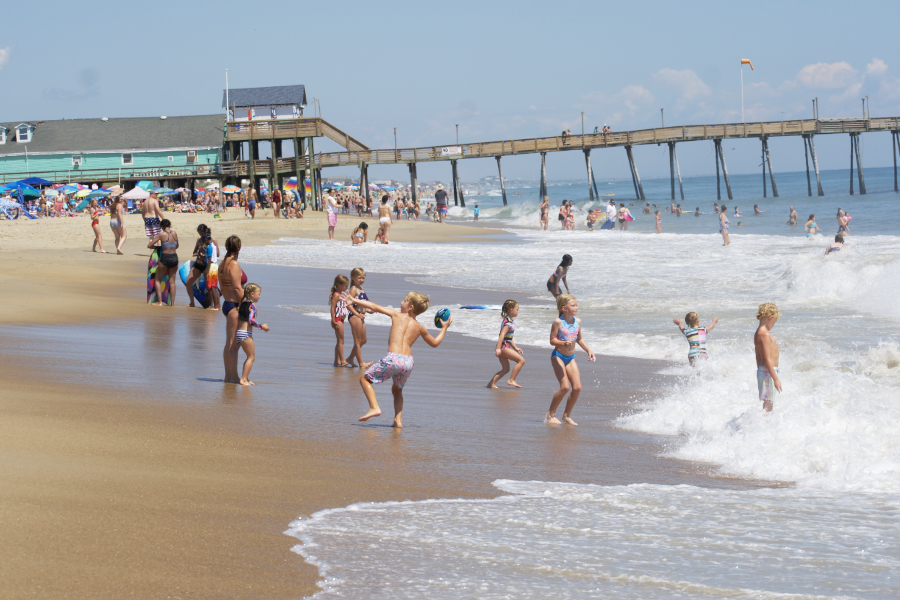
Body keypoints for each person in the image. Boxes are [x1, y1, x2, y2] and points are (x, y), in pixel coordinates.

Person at [342, 290, 452, 428]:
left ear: (410, 307)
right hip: (408, 362)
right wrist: (444, 328)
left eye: (404, 300)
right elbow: (435, 343)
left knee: (364, 379)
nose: (401, 302)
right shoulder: (420, 328)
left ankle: (374, 407)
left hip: (393, 358)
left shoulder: (396, 315)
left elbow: (374, 306)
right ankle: (398, 420)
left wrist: (354, 300)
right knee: (397, 390)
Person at [546, 294, 595, 425]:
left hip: (570, 358)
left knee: (577, 387)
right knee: (564, 387)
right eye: (573, 305)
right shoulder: (558, 322)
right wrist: (563, 343)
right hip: (558, 356)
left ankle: (566, 415)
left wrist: (588, 350)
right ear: (564, 308)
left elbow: (579, 339)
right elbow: (552, 340)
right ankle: (550, 414)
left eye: (576, 305)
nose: (576, 307)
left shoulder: (577, 321)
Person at [221, 236, 245, 384]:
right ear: (239, 247)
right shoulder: (234, 264)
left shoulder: (223, 263)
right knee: (234, 344)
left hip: (227, 303)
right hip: (235, 305)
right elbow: (237, 287)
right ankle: (233, 376)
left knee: (229, 342)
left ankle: (228, 376)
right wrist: (247, 304)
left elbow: (224, 286)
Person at [235, 283, 269, 386]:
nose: (260, 296)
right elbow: (251, 321)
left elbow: (240, 319)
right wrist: (262, 326)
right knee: (251, 357)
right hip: (246, 334)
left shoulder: (242, 304)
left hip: (240, 333)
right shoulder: (252, 306)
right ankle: (243, 379)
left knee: (249, 356)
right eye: (259, 294)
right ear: (252, 294)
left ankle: (246, 378)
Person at [487, 300, 525, 389]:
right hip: (504, 348)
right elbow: (502, 335)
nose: (518, 311)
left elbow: (508, 338)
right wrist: (498, 348)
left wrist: (515, 348)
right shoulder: (508, 323)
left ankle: (490, 384)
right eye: (517, 309)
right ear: (511, 310)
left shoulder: (508, 320)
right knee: (521, 361)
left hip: (503, 347)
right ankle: (511, 380)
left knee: (506, 369)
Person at [754, 302, 782, 412]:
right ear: (771, 318)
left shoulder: (758, 332)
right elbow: (766, 358)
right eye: (774, 322)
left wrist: (759, 371)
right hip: (768, 373)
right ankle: (764, 426)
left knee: (767, 403)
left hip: (764, 371)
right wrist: (775, 379)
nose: (773, 325)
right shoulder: (764, 334)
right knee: (768, 405)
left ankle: (764, 425)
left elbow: (758, 356)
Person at [147, 219, 178, 307]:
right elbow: (177, 245)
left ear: (161, 226)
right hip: (175, 258)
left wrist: (159, 247)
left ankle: (160, 302)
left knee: (157, 279)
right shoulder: (175, 233)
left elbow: (149, 245)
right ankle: (172, 303)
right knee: (172, 282)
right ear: (170, 224)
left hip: (165, 258)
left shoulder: (161, 234)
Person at [345, 268, 372, 369]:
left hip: (361, 316)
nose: (361, 279)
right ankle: (361, 363)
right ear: (353, 277)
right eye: (359, 277)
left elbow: (363, 303)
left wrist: (369, 310)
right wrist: (357, 314)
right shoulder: (353, 289)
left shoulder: (361, 289)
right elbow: (348, 304)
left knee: (363, 340)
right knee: (357, 341)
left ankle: (350, 359)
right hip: (355, 316)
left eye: (363, 278)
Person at [329, 274, 350, 367]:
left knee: (339, 341)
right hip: (337, 319)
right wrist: (333, 320)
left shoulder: (340, 294)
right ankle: (342, 360)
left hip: (340, 320)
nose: (346, 287)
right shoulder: (336, 295)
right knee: (341, 341)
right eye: (345, 285)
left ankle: (336, 361)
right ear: (338, 285)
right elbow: (332, 307)